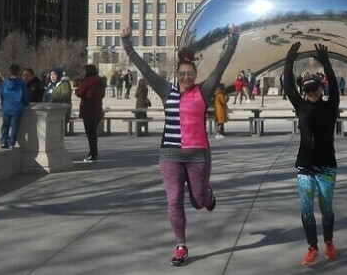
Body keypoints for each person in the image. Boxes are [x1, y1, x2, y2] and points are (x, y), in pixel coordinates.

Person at [122, 25, 237, 267]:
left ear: (195, 75)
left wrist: (233, 39)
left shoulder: (204, 91)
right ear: (177, 74)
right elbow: (143, 67)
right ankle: (181, 245)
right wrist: (127, 44)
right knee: (173, 200)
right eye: (182, 74)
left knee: (197, 201)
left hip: (198, 155)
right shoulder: (166, 90)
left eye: (190, 74)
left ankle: (207, 194)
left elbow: (221, 66)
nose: (186, 78)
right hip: (170, 154)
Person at [284, 42, 340, 266]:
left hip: (327, 166)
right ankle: (312, 248)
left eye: (315, 88)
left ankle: (328, 242)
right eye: (308, 89)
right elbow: (289, 86)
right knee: (306, 210)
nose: (312, 92)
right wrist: (289, 61)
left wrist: (326, 63)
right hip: (305, 166)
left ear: (320, 87)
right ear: (304, 92)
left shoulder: (330, 105)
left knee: (326, 209)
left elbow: (334, 85)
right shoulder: (301, 106)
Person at [74, 64, 105, 162]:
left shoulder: (88, 81)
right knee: (93, 134)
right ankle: (93, 153)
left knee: (90, 134)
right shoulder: (100, 81)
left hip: (88, 109)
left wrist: (77, 90)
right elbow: (102, 94)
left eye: (84, 70)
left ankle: (93, 154)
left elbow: (79, 93)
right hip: (97, 109)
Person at [0, 64, 29, 149]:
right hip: (17, 108)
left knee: (5, 125)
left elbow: (1, 94)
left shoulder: (5, 83)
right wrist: (26, 103)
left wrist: (3, 104)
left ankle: (3, 141)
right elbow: (25, 94)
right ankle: (11, 142)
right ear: (18, 72)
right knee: (14, 126)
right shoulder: (21, 83)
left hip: (6, 108)